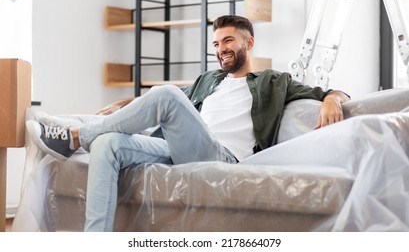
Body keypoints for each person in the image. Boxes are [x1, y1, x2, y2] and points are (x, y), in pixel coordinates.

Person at [26, 15, 350, 231]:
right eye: (216, 43)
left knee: (164, 94)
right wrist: (122, 104)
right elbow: (169, 105)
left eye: (228, 41)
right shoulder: (209, 80)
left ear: (248, 43)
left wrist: (333, 101)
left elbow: (332, 91)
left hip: (223, 156)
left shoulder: (273, 80)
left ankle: (74, 137)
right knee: (109, 142)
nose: (221, 49)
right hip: (180, 148)